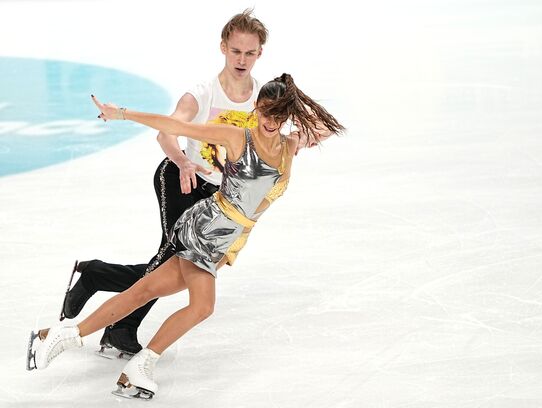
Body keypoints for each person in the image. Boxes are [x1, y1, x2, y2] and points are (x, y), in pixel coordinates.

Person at [28, 73, 345, 400]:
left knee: (144, 290)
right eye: (266, 112)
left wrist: (296, 101)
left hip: (227, 240)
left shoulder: (288, 147)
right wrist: (122, 113)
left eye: (280, 115)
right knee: (202, 306)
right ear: (256, 107)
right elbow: (176, 127)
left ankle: (61, 336)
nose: (271, 121)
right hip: (208, 227)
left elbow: (324, 129)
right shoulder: (238, 138)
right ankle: (140, 367)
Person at [59, 9, 271, 357]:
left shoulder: (262, 99)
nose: (242, 59)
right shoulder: (201, 93)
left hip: (218, 197)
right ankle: (121, 327)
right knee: (171, 258)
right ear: (223, 47)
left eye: (249, 53)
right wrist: (183, 159)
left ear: (259, 53)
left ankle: (97, 275)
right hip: (180, 178)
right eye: (236, 51)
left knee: (176, 268)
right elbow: (167, 132)